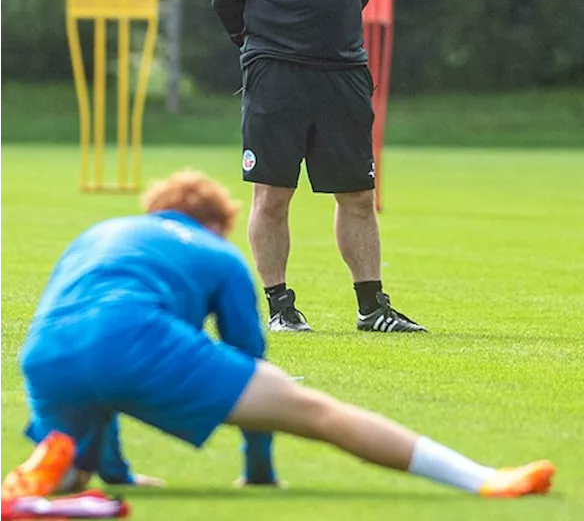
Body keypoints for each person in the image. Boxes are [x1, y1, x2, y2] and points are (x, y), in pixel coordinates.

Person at [2, 170, 554, 500]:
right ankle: (482, 480)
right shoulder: (216, 252)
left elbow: (88, 344)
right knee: (319, 413)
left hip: (48, 355)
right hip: (134, 341)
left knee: (72, 479)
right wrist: (259, 470)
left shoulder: (101, 233)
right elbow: (250, 356)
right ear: (216, 222)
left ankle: (62, 467)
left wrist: (115, 475)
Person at [211, 0, 422, 333]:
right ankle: (281, 307)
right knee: (273, 194)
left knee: (357, 194)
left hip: (344, 73)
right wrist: (263, 47)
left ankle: (372, 308)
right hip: (276, 73)